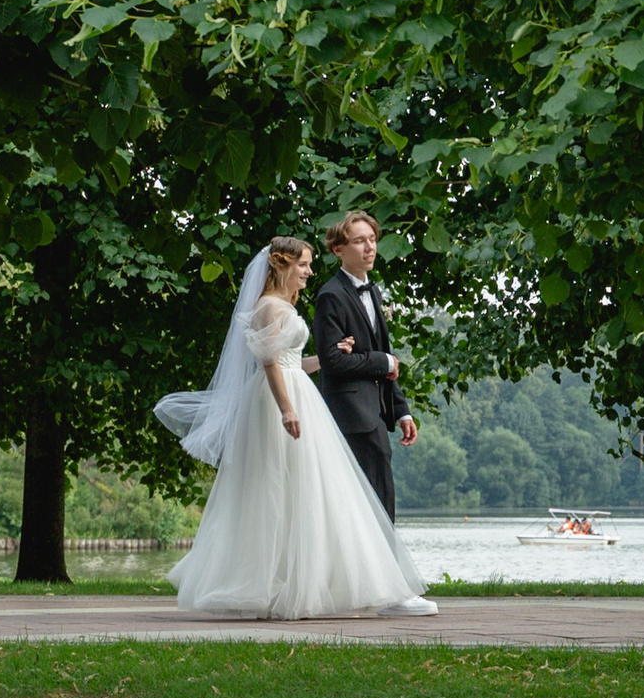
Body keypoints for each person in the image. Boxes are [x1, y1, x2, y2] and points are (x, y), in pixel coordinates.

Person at [155, 239, 436, 618]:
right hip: (279, 402)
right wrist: (286, 409)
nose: (307, 272)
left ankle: (299, 582)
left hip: (296, 392)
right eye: (303, 265)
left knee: (305, 487)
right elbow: (270, 364)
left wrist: (328, 356)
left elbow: (289, 363)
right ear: (282, 265)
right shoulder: (270, 306)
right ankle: (279, 585)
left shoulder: (284, 306)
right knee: (278, 487)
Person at [311, 210, 417, 520]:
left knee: (379, 498)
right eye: (359, 241)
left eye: (372, 240)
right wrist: (380, 360)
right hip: (349, 414)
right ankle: (376, 567)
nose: (369, 247)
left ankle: (379, 566)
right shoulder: (330, 295)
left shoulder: (374, 291)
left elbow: (385, 356)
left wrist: (402, 410)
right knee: (365, 503)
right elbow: (332, 361)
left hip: (375, 411)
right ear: (338, 249)